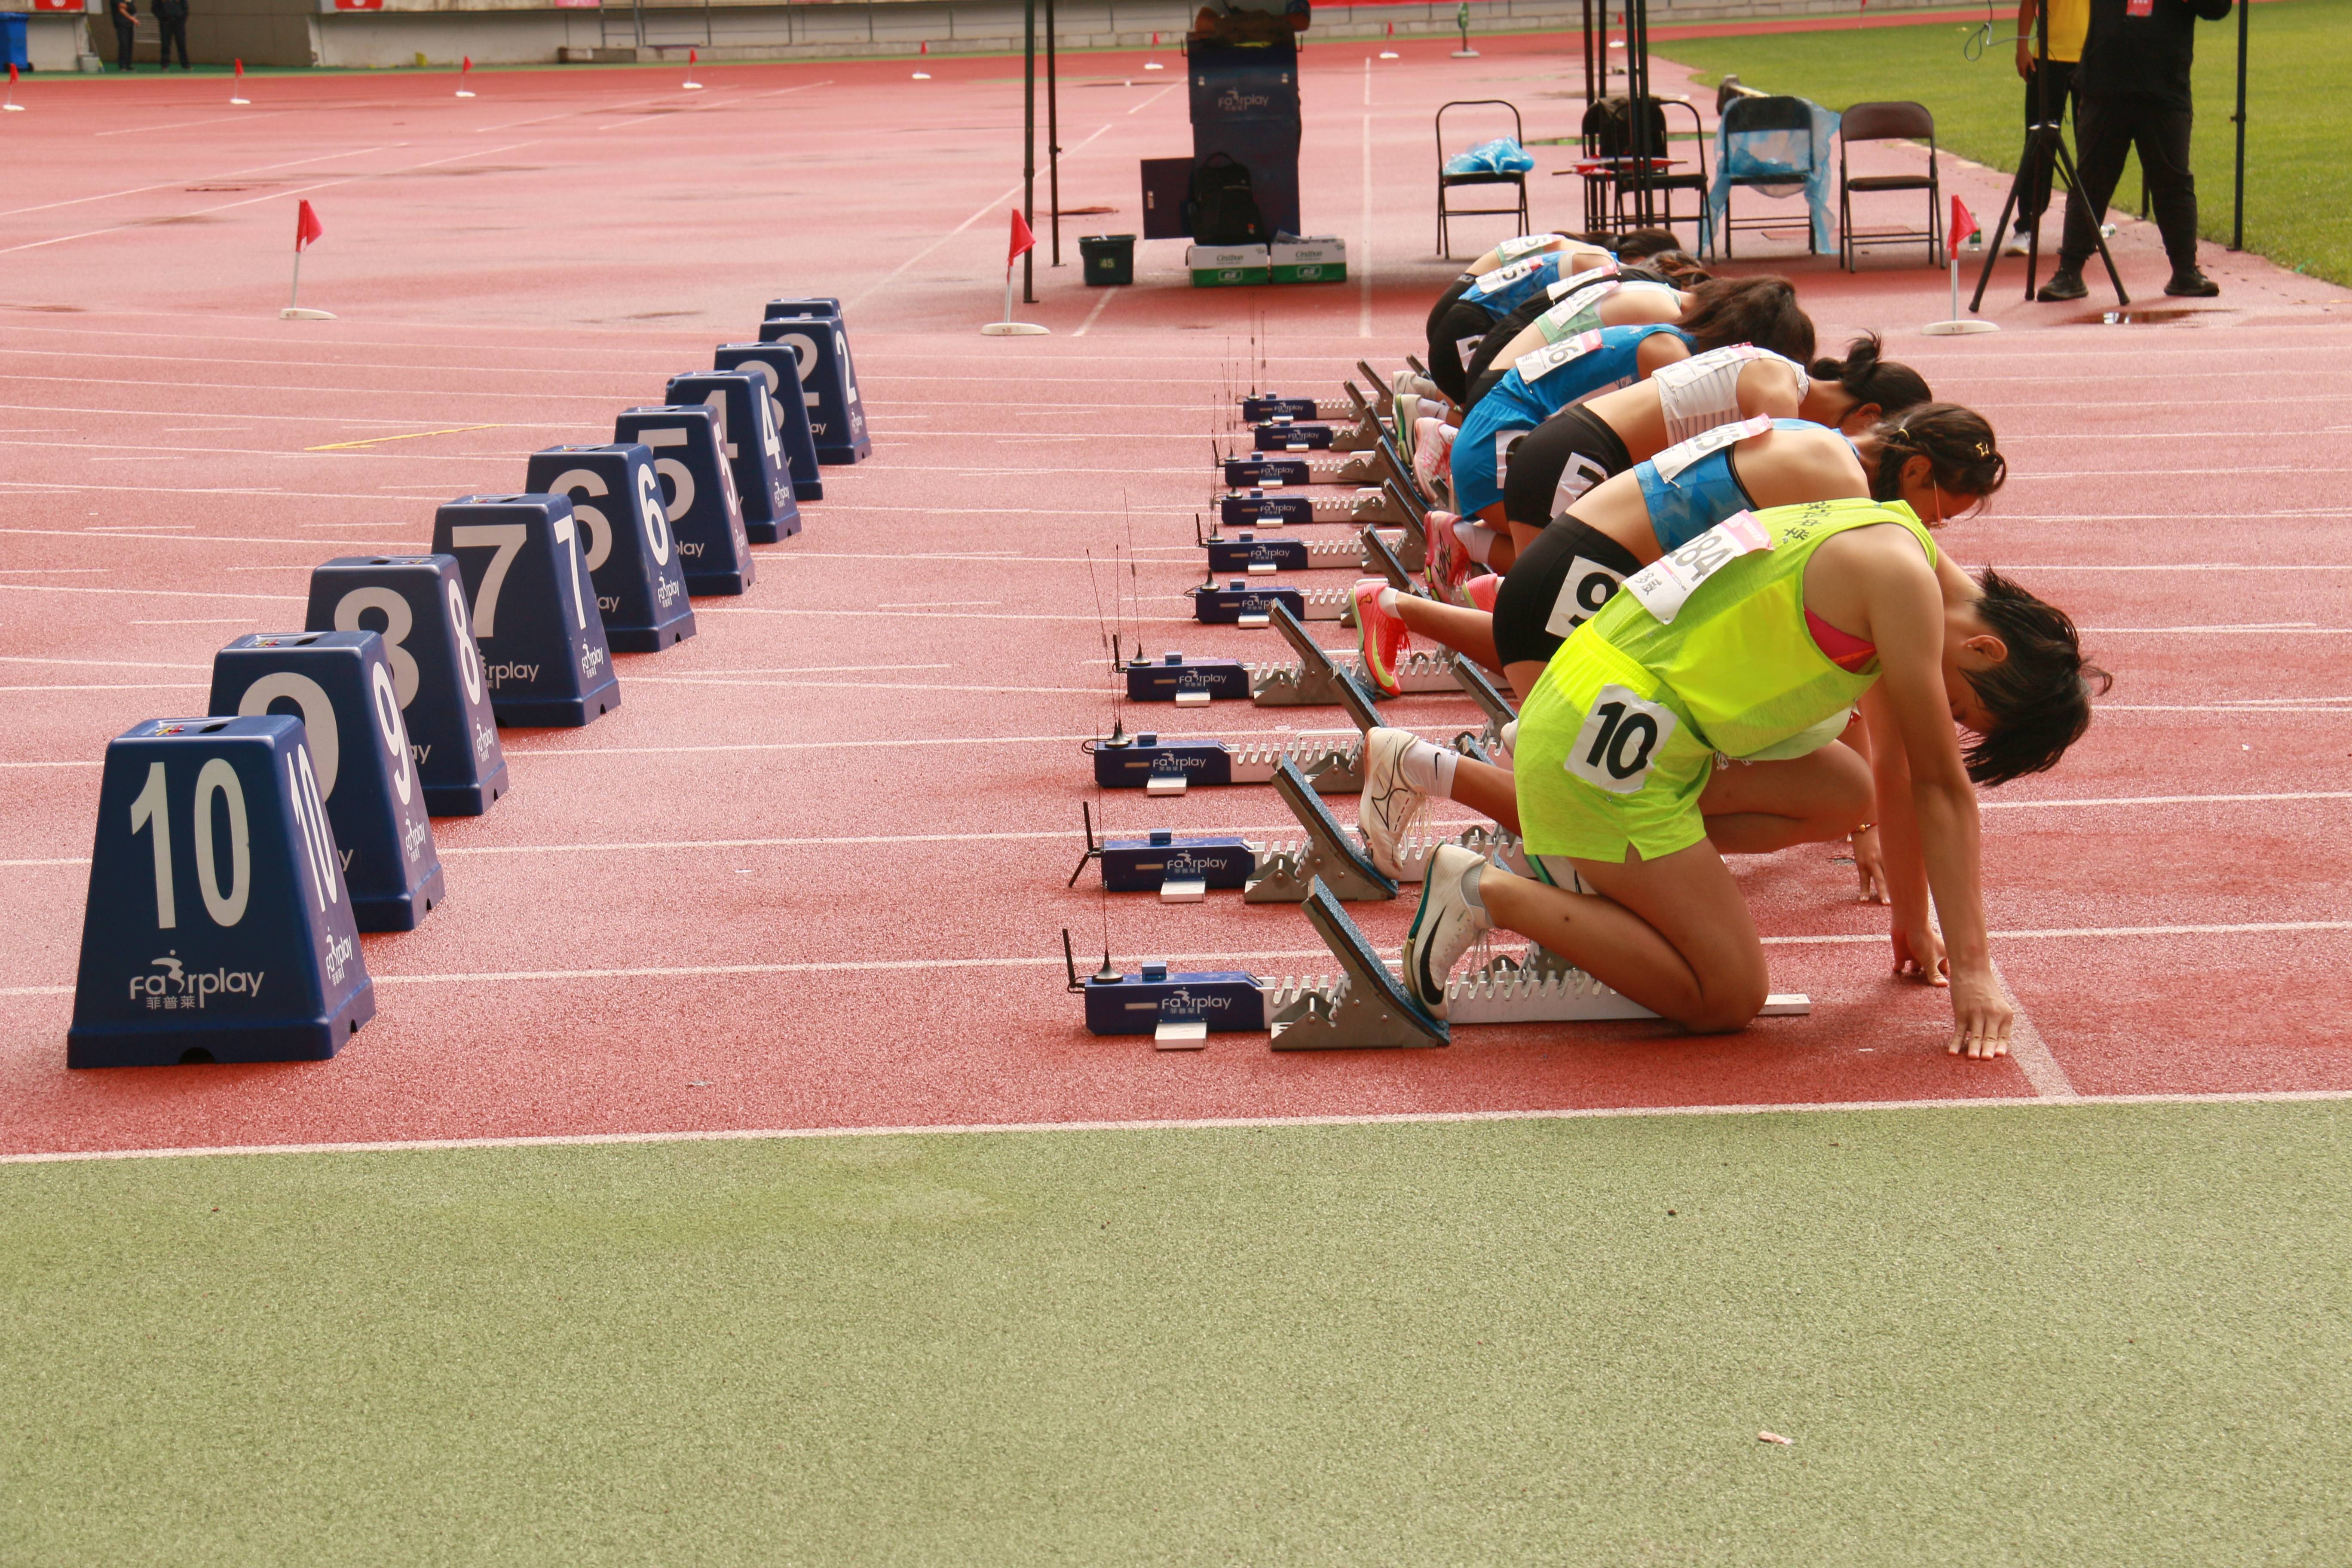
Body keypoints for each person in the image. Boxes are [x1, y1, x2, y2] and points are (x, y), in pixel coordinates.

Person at [1396, 499, 2107, 1058]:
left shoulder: (1897, 539)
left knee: (1845, 789)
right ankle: (1483, 890)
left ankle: (1594, 865)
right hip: (1603, 744)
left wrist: (1911, 923)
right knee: (1726, 996)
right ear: (1985, 647)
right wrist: (1976, 969)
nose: (1947, 714)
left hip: (1604, 708)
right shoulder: (1899, 584)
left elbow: (1891, 772)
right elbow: (1940, 784)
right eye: (1961, 705)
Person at [1444, 278, 1815, 573]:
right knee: (1606, 557)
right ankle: (1467, 542)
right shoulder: (1669, 356)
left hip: (1494, 425)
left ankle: (1471, 538)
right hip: (1499, 443)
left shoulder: (1666, 336)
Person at [2037, 0, 2233, 302]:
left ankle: (2185, 271)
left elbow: (2218, 8)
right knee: (2090, 182)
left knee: (2173, 181)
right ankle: (2070, 272)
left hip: (2164, 87)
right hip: (2104, 85)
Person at [2008, 0, 2089, 254]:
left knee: (2093, 145)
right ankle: (2027, 226)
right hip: (2046, 58)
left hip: (2091, 58)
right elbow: (2029, 3)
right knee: (2038, 144)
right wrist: (2022, 46)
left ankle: (2089, 223)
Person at [154, 0, 190, 70]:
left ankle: (185, 64)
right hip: (166, 23)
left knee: (182, 43)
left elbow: (185, 8)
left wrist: (182, 20)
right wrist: (162, 18)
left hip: (179, 23)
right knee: (166, 44)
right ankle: (165, 65)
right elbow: (155, 8)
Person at [110, 0, 138, 70]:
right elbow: (121, 7)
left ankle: (128, 64)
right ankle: (123, 65)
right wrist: (131, 17)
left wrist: (128, 5)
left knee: (129, 45)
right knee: (124, 44)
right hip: (121, 24)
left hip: (130, 24)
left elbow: (134, 9)